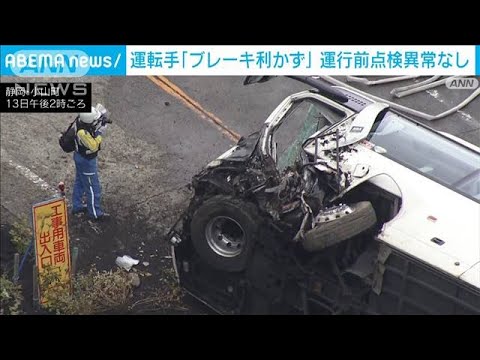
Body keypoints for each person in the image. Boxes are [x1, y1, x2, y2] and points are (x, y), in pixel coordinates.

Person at [71, 106, 109, 221]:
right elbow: (93, 146)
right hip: (86, 161)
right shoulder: (83, 133)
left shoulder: (81, 120)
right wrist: (99, 133)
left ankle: (77, 206)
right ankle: (95, 213)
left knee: (80, 182)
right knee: (93, 188)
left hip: (80, 157)